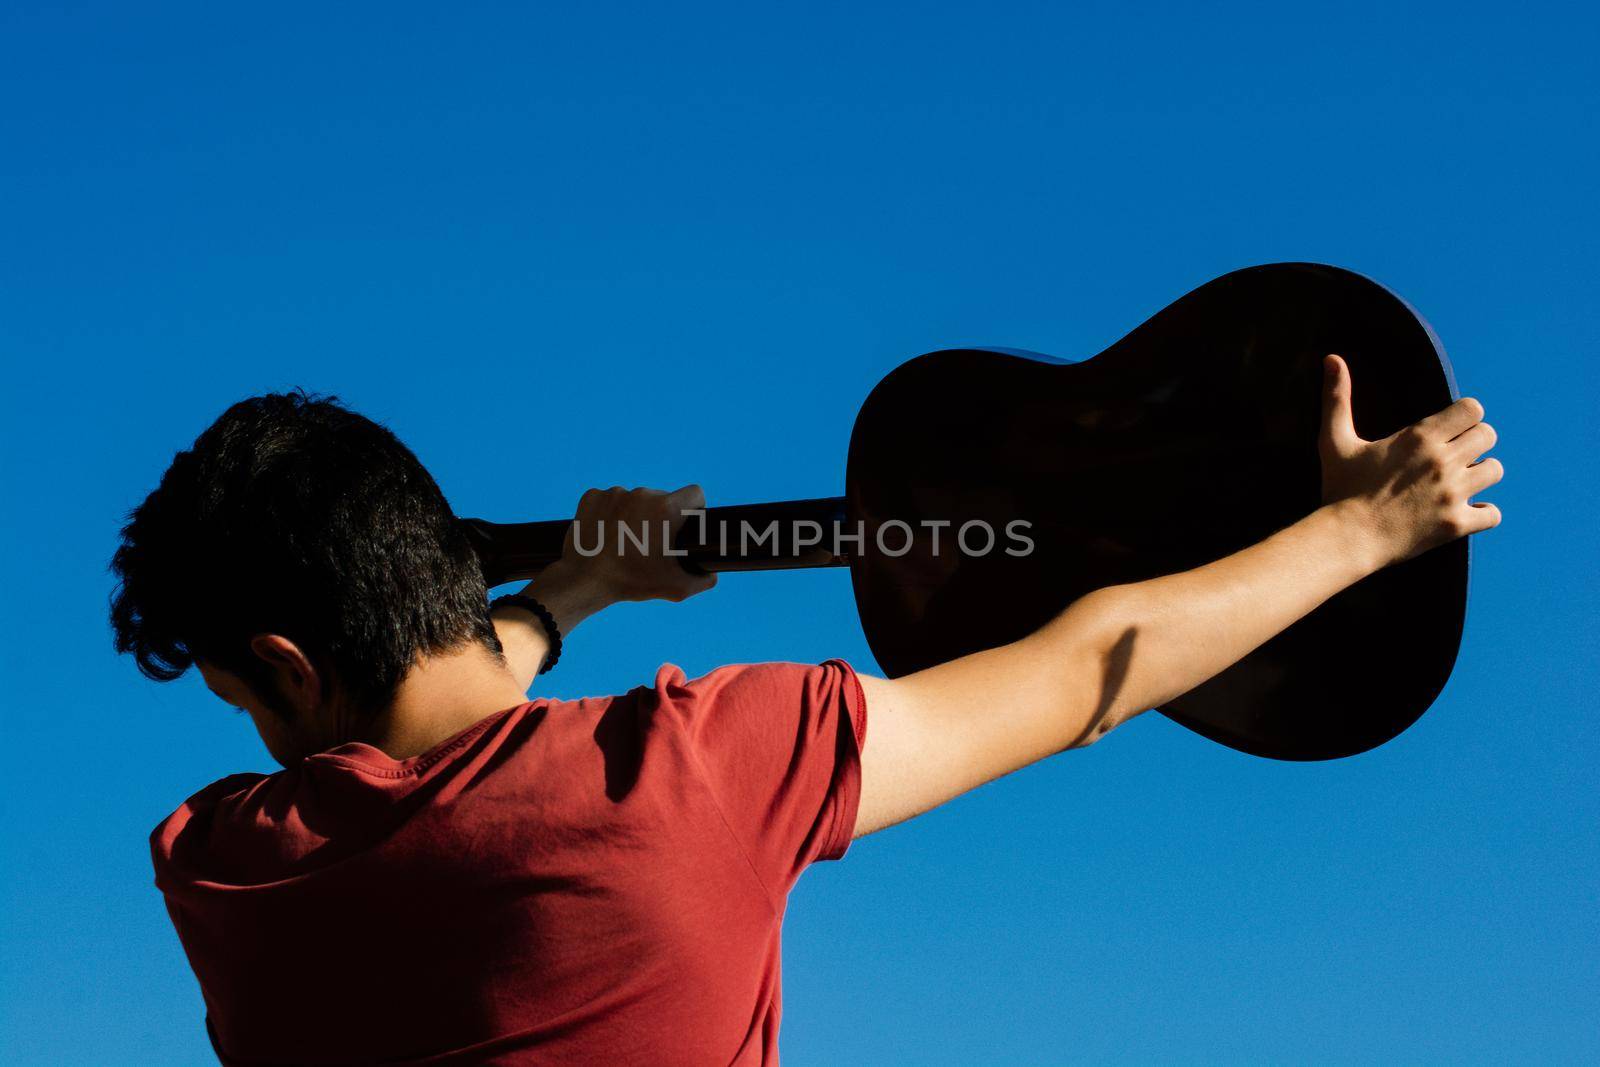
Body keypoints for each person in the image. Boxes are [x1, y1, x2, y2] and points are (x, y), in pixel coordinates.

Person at [112, 354, 1501, 1065]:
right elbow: (1093, 667)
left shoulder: (226, 871)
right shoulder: (701, 778)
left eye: (249, 701)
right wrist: (1364, 532)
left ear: (291, 670)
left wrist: (568, 598)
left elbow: (438, 727)